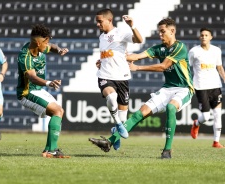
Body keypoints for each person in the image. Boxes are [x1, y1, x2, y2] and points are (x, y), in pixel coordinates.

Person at [89, 18, 194, 159]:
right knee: (140, 113)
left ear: (172, 31)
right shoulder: (159, 48)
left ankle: (167, 150)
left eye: (163, 32)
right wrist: (106, 60)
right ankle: (109, 142)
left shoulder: (180, 47)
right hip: (166, 89)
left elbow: (163, 66)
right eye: (159, 32)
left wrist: (137, 68)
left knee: (170, 107)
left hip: (184, 89)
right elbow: (137, 56)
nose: (160, 35)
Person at [16, 24, 70, 158]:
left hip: (38, 90)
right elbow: (32, 77)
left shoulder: (41, 48)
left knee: (60, 111)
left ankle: (48, 150)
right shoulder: (25, 56)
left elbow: (52, 47)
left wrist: (59, 50)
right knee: (56, 111)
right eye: (46, 41)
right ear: (39, 42)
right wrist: (48, 82)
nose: (48, 44)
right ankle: (52, 151)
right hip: (27, 93)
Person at [94, 9, 143, 150]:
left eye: (100, 21)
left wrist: (132, 25)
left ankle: (116, 129)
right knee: (111, 96)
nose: (97, 24)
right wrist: (100, 60)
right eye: (96, 21)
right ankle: (118, 125)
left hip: (122, 78)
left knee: (124, 118)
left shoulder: (120, 32)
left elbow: (139, 40)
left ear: (109, 20)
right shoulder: (101, 37)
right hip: (105, 76)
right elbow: (108, 54)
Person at [189, 28, 225, 148]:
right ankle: (196, 123)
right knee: (205, 116)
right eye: (202, 35)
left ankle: (216, 142)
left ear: (211, 37)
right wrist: (189, 83)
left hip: (215, 86)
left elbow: (219, 67)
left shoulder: (216, 50)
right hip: (200, 86)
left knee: (217, 114)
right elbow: (187, 68)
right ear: (200, 37)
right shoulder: (194, 51)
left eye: (206, 35)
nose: (204, 37)